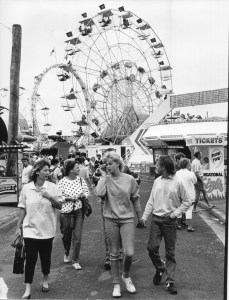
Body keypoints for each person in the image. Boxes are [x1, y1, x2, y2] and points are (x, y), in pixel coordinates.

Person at [140, 155, 191, 295]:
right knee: (151, 248)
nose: (155, 167)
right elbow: (151, 201)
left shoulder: (178, 182)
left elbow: (187, 201)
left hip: (169, 221)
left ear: (164, 167)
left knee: (170, 252)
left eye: (157, 165)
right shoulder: (157, 181)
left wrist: (175, 214)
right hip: (156, 219)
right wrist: (144, 218)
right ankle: (160, 268)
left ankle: (170, 281)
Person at [96, 151, 142, 298]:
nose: (108, 166)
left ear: (118, 164)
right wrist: (104, 177)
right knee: (114, 253)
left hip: (127, 218)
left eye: (110, 164)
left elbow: (135, 198)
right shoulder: (106, 179)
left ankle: (126, 276)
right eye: (106, 164)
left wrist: (140, 217)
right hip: (110, 219)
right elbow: (99, 193)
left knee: (129, 253)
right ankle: (116, 284)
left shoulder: (129, 179)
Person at [15, 158, 62, 299]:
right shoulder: (26, 188)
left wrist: (49, 197)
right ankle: (27, 288)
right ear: (37, 171)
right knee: (30, 260)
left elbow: (59, 205)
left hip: (47, 230)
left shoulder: (52, 187)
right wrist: (18, 227)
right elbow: (22, 208)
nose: (48, 173)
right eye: (45, 170)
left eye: (49, 170)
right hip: (30, 230)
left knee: (45, 258)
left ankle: (45, 280)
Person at [58, 159, 90, 270]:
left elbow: (87, 192)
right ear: (71, 170)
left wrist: (84, 195)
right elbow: (57, 197)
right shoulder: (62, 182)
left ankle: (75, 260)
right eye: (77, 167)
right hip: (65, 212)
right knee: (66, 236)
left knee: (77, 236)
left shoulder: (81, 180)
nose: (79, 169)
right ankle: (66, 252)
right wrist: (67, 198)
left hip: (78, 211)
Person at [176, 158, 197, 232]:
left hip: (179, 194)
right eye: (189, 164)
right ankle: (189, 226)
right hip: (190, 194)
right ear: (187, 165)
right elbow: (195, 182)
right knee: (189, 210)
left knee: (179, 208)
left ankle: (178, 224)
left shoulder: (177, 173)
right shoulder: (191, 173)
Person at [174, 152, 188, 229]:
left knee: (184, 204)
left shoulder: (184, 168)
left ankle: (183, 220)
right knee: (178, 205)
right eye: (181, 159)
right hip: (177, 189)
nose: (183, 160)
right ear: (177, 159)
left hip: (184, 188)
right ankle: (178, 222)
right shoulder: (175, 168)